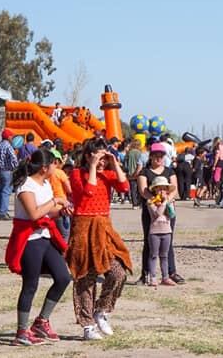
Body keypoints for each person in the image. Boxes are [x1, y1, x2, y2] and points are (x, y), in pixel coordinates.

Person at [67, 139, 132, 341]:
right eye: (98, 157)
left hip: (104, 226)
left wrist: (115, 162)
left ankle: (102, 310)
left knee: (118, 272)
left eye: (104, 157)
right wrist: (93, 166)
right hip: (83, 226)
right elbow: (89, 191)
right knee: (85, 277)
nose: (102, 161)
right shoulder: (77, 174)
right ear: (88, 156)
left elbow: (124, 187)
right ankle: (87, 325)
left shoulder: (108, 174)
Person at [5, 149, 72, 346]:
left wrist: (61, 212)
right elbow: (34, 214)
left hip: (45, 237)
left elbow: (47, 214)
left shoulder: (45, 183)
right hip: (29, 241)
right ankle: (21, 332)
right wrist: (56, 201)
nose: (56, 167)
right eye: (54, 164)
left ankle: (42, 321)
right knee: (30, 285)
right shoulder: (26, 185)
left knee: (63, 277)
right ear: (44, 167)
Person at [135, 143, 183, 285]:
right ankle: (146, 273)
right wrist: (154, 200)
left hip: (167, 211)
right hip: (150, 211)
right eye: (156, 156)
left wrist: (166, 199)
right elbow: (143, 190)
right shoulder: (144, 172)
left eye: (161, 156)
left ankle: (170, 272)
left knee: (168, 239)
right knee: (149, 241)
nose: (159, 158)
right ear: (150, 156)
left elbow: (174, 189)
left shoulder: (169, 171)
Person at [144, 176, 175, 286]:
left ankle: (165, 277)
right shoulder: (150, 202)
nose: (162, 191)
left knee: (164, 255)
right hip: (154, 232)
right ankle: (152, 277)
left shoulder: (168, 202)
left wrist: (169, 203)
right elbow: (157, 214)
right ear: (155, 190)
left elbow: (171, 215)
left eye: (164, 188)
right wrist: (164, 202)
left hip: (167, 231)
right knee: (153, 255)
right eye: (159, 188)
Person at [0, 129, 20, 220]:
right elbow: (13, 159)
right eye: (11, 136)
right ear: (8, 137)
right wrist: (16, 167)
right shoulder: (8, 146)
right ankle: (2, 212)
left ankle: (0, 210)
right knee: (6, 191)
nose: (12, 138)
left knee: (1, 191)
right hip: (7, 171)